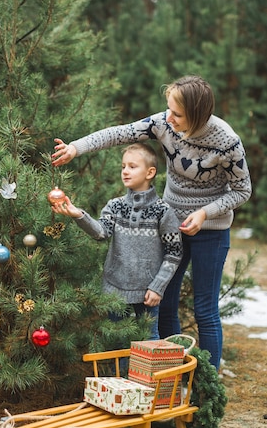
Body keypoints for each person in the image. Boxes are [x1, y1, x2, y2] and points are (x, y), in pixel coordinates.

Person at [52, 75, 252, 369]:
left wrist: (205, 213)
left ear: (198, 116)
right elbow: (119, 134)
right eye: (168, 109)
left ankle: (207, 383)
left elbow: (242, 190)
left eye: (178, 114)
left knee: (204, 310)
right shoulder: (164, 123)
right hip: (170, 225)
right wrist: (76, 148)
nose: (169, 118)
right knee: (166, 302)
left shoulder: (227, 142)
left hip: (211, 230)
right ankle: (169, 375)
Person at [51, 143, 183, 341]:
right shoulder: (115, 206)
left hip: (148, 290)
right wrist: (78, 215)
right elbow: (101, 232)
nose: (125, 171)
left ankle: (148, 374)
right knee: (115, 341)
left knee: (149, 339)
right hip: (115, 287)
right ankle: (118, 374)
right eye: (123, 167)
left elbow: (174, 254)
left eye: (132, 166)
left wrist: (158, 286)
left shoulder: (163, 211)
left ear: (150, 172)